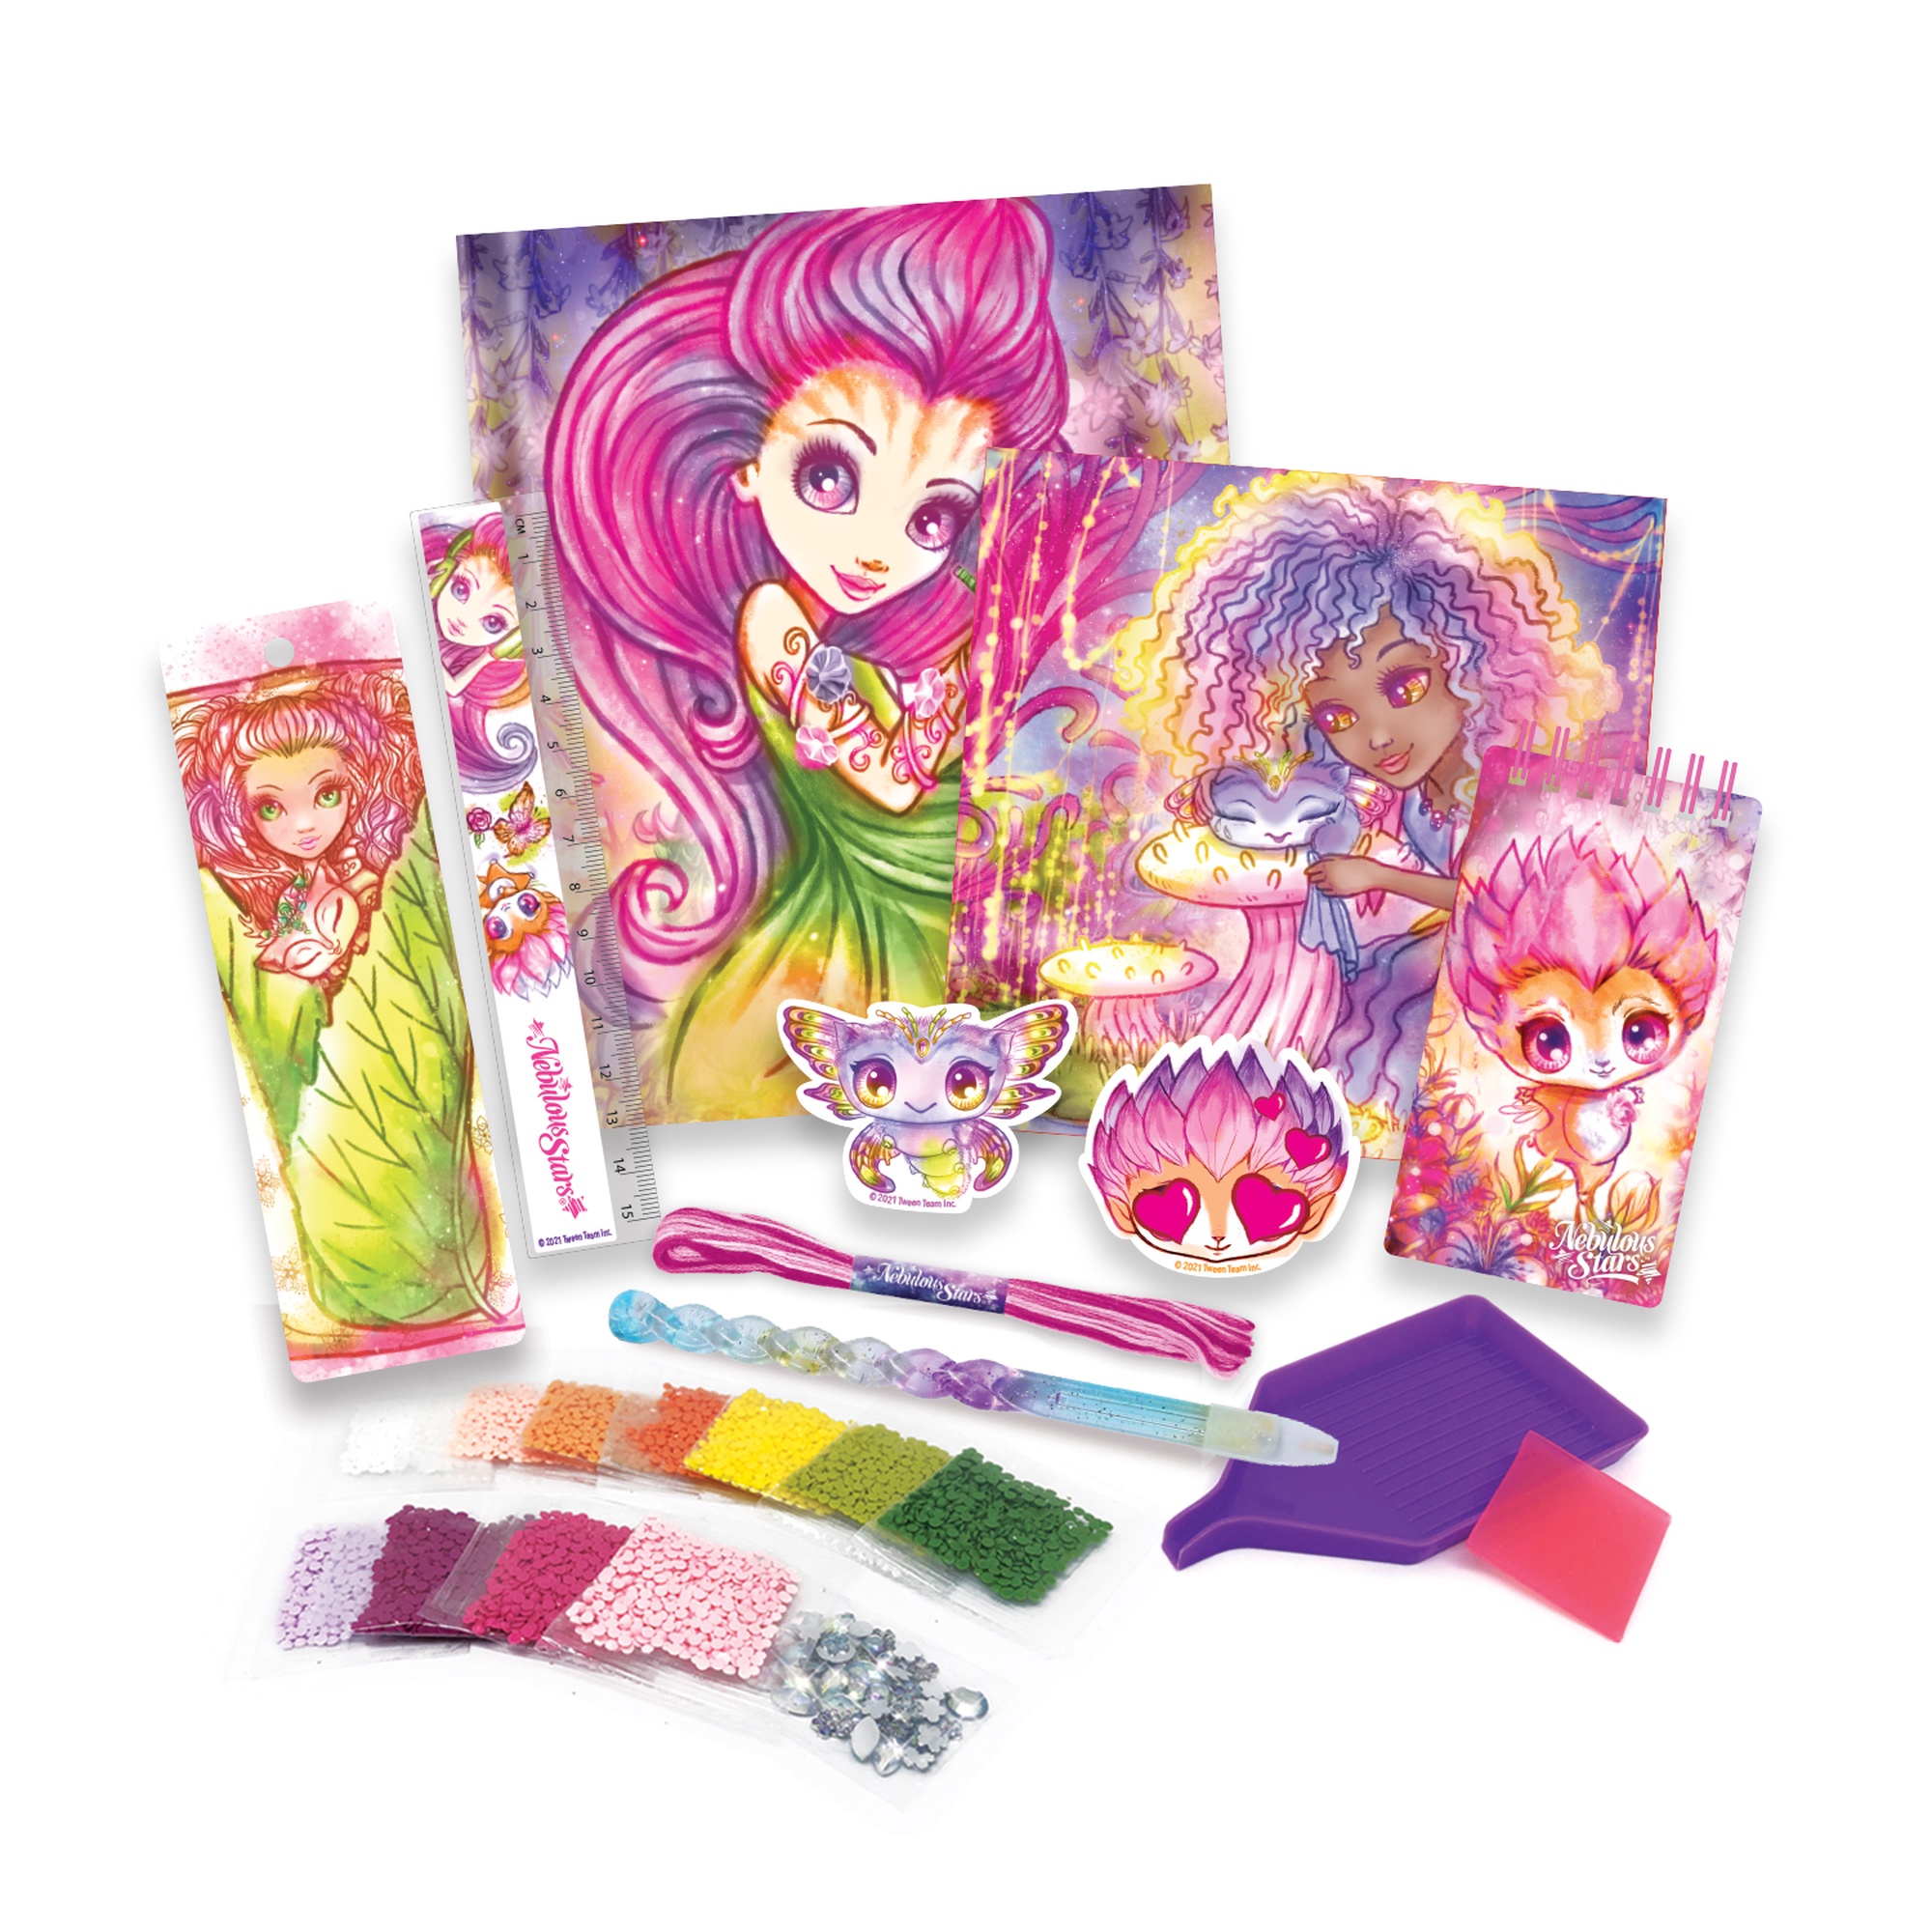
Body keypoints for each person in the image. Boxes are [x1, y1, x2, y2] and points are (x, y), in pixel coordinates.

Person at [546, 201, 1074, 1116]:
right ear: (750, 462)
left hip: (949, 917)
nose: (876, 549)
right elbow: (894, 784)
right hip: (856, 941)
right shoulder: (773, 621)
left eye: (931, 517)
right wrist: (971, 676)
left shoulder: (876, 636)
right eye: (831, 477)